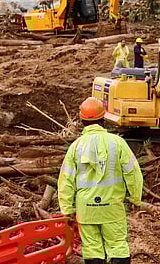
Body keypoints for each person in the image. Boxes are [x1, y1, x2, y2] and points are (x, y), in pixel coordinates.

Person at [58, 97, 143, 264]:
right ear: (103, 119)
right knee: (118, 246)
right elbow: (133, 173)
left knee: (91, 250)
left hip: (86, 210)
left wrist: (66, 209)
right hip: (112, 208)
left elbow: (66, 180)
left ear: (82, 121)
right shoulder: (118, 143)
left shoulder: (76, 147)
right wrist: (135, 198)